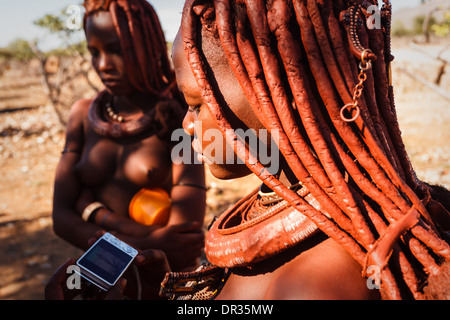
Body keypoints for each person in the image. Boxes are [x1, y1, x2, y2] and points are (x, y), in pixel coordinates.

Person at [159, 0, 450, 300]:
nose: (188, 125)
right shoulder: (288, 208)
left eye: (196, 105)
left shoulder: (318, 284)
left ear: (283, 86)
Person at [52, 0, 206, 275]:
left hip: (163, 282)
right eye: (94, 52)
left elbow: (181, 244)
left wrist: (91, 212)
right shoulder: (82, 115)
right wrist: (146, 239)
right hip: (101, 280)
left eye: (116, 50)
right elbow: (61, 220)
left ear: (148, 46)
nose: (103, 65)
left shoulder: (178, 119)